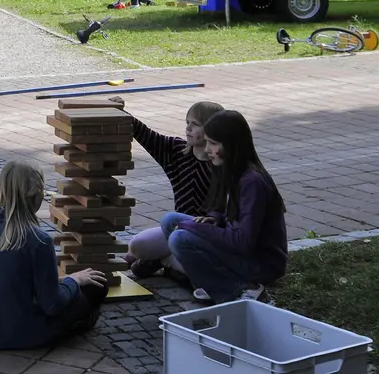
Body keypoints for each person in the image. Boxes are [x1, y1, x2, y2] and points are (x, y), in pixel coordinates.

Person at [0, 160, 112, 349]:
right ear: (37, 196)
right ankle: (77, 326)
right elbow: (52, 304)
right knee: (96, 287)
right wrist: (73, 281)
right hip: (20, 333)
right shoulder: (38, 240)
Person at [161, 110, 288, 303]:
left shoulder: (252, 182)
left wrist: (195, 227)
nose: (207, 150)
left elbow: (242, 241)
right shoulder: (230, 171)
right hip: (243, 252)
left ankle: (238, 292)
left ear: (231, 145)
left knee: (180, 238)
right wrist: (216, 218)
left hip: (262, 263)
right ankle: (219, 283)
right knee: (170, 221)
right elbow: (230, 213)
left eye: (213, 143)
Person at [117, 99, 224, 280]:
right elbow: (145, 134)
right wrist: (119, 111)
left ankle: (163, 260)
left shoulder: (221, 165)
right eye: (187, 123)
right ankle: (164, 258)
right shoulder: (177, 151)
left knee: (202, 270)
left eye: (195, 124)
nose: (188, 128)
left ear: (212, 129)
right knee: (137, 245)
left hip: (206, 237)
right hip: (174, 229)